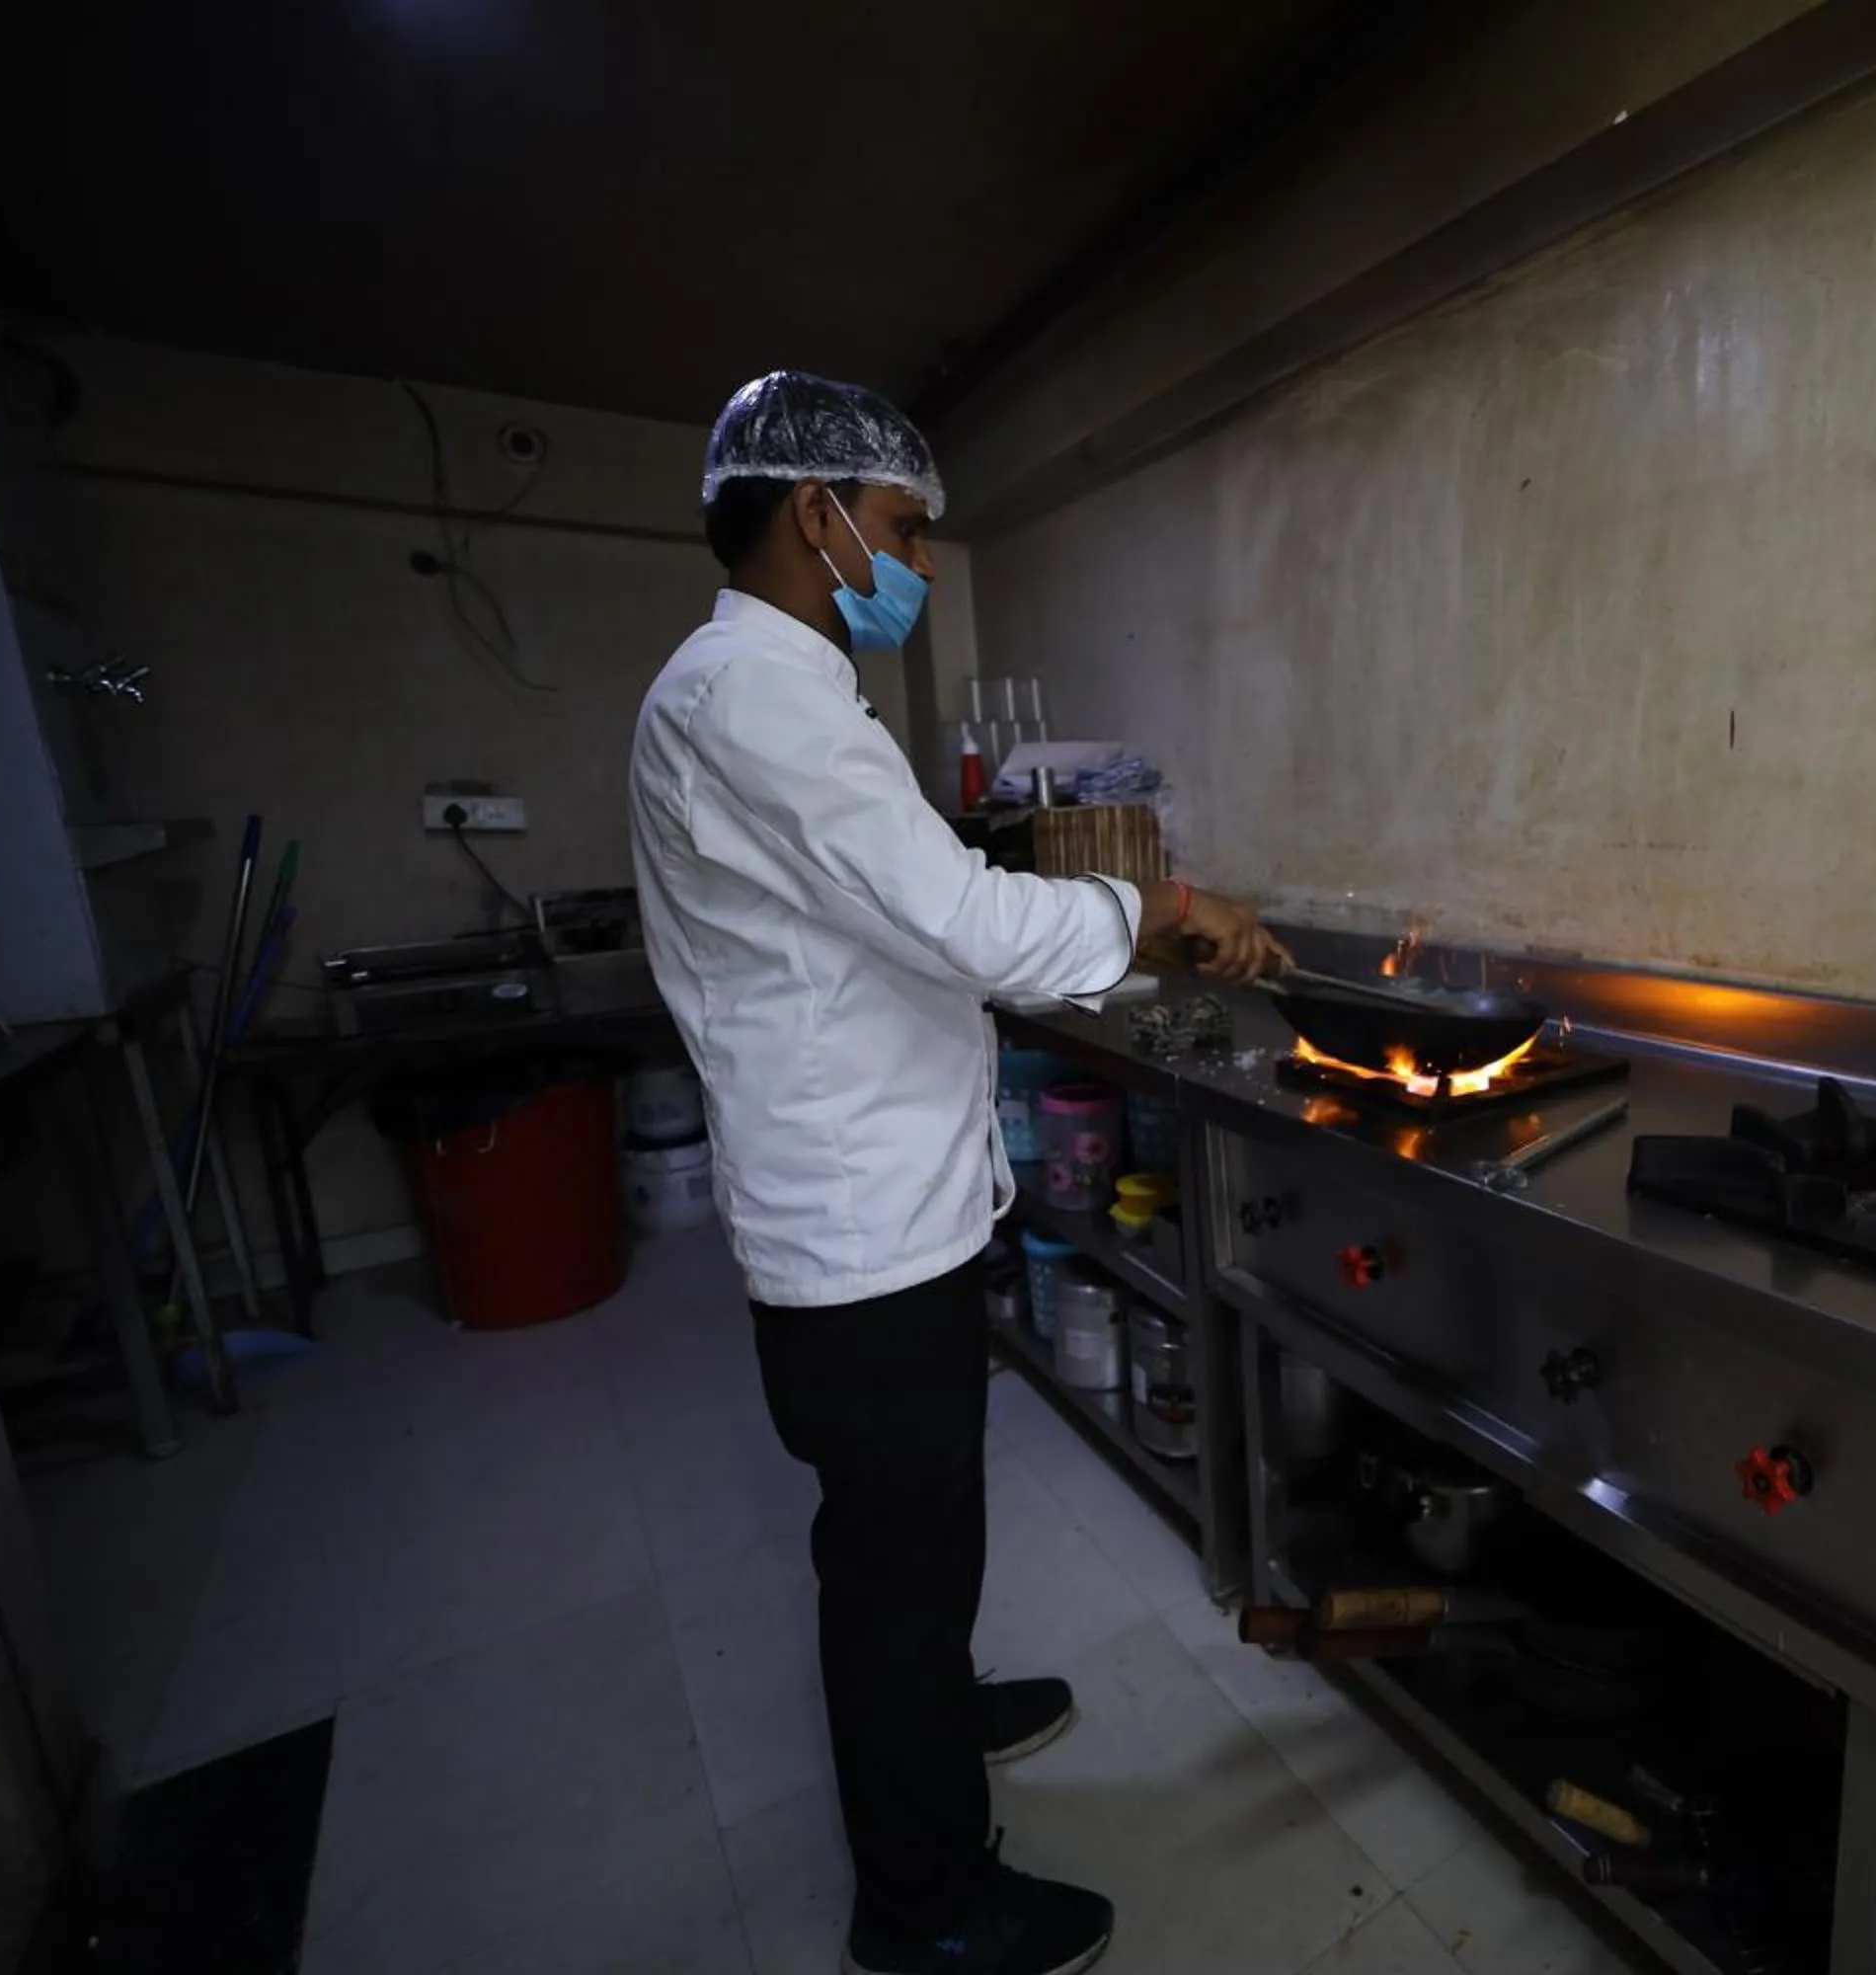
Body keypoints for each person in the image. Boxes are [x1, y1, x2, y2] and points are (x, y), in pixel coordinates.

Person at [629, 370, 1285, 1975]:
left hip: (883, 1205)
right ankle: (920, 1910)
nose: (910, 560)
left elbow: (901, 908)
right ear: (817, 514)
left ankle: (942, 1700)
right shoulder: (759, 698)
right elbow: (972, 927)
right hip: (854, 1229)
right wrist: (1169, 909)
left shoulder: (777, 691)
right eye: (904, 527)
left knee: (919, 1522)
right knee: (893, 1553)